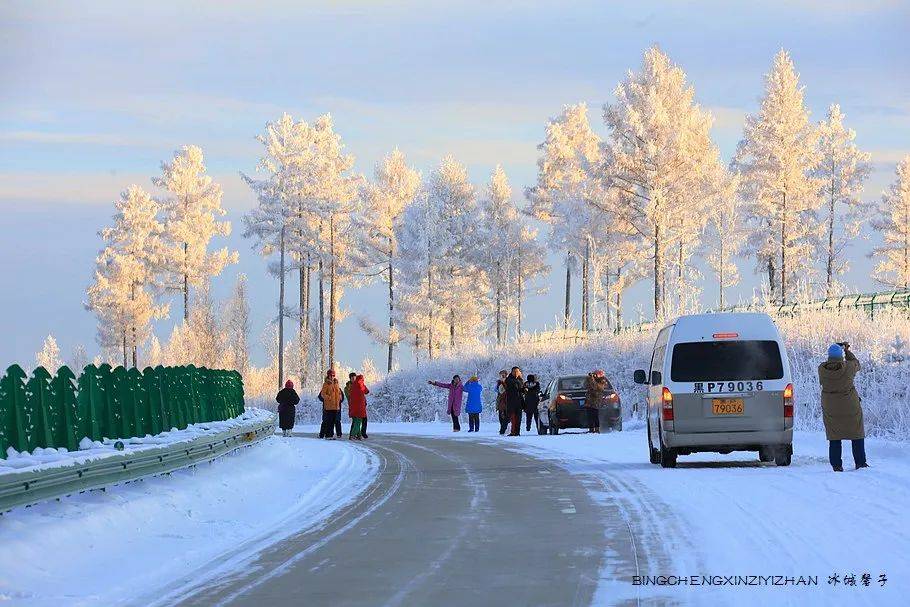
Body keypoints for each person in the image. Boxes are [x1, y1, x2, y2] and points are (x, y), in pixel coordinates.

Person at [819, 343, 868, 471]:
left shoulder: (821, 369)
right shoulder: (849, 367)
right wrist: (847, 350)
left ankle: (836, 465)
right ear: (840, 355)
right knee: (856, 433)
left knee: (834, 436)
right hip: (850, 406)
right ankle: (860, 463)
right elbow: (856, 363)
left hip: (831, 407)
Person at [318, 370, 345, 440]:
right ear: (328, 376)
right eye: (331, 375)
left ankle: (331, 435)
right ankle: (328, 435)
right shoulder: (326, 384)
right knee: (329, 421)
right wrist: (329, 398)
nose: (332, 377)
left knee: (333, 421)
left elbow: (338, 392)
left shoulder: (336, 383)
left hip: (336, 406)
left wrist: (340, 397)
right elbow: (323, 394)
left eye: (333, 375)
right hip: (329, 406)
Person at [343, 371, 368, 437]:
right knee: (356, 420)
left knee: (359, 420)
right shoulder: (348, 387)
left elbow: (364, 393)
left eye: (354, 377)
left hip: (360, 405)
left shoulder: (358, 384)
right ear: (350, 378)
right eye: (352, 378)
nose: (353, 379)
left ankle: (359, 434)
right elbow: (349, 396)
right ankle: (353, 434)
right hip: (353, 405)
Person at [505, 367, 525, 436]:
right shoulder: (509, 379)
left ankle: (517, 432)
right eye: (514, 371)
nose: (516, 373)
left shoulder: (520, 380)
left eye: (517, 371)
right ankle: (513, 431)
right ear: (512, 372)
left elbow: (521, 389)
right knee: (513, 418)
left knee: (519, 418)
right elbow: (513, 385)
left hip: (519, 402)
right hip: (511, 402)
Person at [496, 370, 509, 435]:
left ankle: (503, 429)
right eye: (501, 375)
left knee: (506, 416)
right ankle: (503, 428)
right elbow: (496, 390)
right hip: (500, 400)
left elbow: (508, 389)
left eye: (503, 374)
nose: (502, 376)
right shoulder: (499, 382)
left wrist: (503, 382)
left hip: (507, 400)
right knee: (500, 416)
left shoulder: (508, 381)